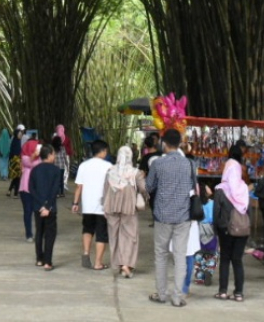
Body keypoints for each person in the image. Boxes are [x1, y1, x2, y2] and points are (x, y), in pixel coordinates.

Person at [145, 128, 195, 308]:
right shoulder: (189, 164)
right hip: (183, 216)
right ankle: (177, 297)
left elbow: (149, 187)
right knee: (180, 256)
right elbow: (193, 187)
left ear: (163, 143)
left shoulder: (158, 163)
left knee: (161, 255)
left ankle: (161, 294)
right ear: (180, 143)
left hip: (162, 215)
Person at [213, 145, 251, 302]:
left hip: (226, 229)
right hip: (242, 229)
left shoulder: (221, 189)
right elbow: (248, 211)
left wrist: (216, 230)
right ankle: (239, 293)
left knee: (225, 259)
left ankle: (223, 291)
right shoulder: (244, 189)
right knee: (237, 260)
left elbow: (216, 213)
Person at [103, 144, 147, 278]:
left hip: (111, 206)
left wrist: (104, 206)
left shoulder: (110, 171)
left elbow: (105, 190)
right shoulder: (135, 173)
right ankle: (126, 265)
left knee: (114, 235)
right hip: (129, 207)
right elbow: (144, 189)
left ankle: (117, 264)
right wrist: (145, 198)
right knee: (129, 235)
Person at [72, 139, 113, 269]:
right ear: (103, 151)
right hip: (102, 206)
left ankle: (86, 253)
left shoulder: (83, 165)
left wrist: (75, 203)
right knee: (101, 234)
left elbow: (79, 186)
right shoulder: (108, 166)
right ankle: (98, 263)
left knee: (87, 229)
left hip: (87, 205)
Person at [29, 144, 63, 270]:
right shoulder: (56, 170)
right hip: (51, 208)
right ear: (49, 155)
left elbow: (31, 189)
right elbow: (55, 190)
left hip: (38, 207)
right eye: (53, 154)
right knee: (50, 234)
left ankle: (39, 259)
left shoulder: (35, 170)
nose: (55, 156)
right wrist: (48, 206)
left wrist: (41, 205)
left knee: (39, 232)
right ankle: (48, 262)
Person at [18, 131, 40, 241]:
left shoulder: (41, 158)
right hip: (26, 187)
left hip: (37, 188)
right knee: (28, 211)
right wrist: (34, 155)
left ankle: (38, 233)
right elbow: (30, 163)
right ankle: (29, 234)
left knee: (38, 211)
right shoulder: (25, 158)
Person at [7, 122, 25, 197]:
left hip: (14, 159)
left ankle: (10, 190)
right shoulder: (17, 140)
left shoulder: (14, 139)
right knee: (17, 176)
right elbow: (17, 151)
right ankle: (15, 193)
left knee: (16, 176)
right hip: (16, 159)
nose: (22, 134)